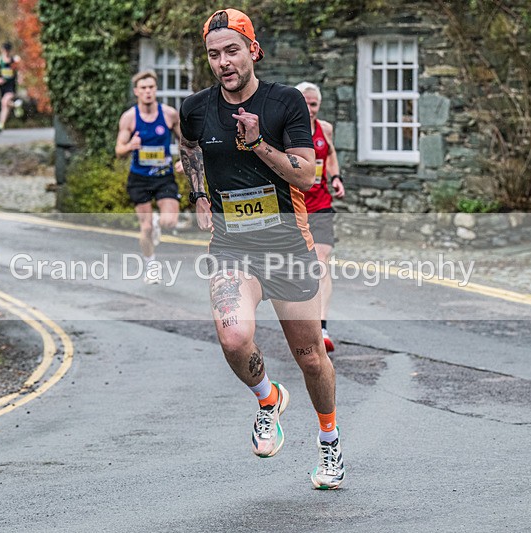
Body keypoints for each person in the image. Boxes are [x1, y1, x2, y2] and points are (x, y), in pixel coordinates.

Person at [179, 8, 345, 489]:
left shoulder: (285, 102)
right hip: (232, 247)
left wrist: (256, 145)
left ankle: (329, 441)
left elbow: (306, 174)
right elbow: (188, 147)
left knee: (310, 357)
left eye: (232, 51)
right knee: (233, 337)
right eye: (214, 54)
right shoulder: (196, 108)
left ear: (253, 50)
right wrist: (199, 194)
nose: (223, 63)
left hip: (288, 247)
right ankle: (268, 399)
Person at [115, 70, 182, 284]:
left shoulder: (169, 114)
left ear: (156, 89)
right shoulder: (129, 117)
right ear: (136, 91)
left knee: (169, 222)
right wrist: (130, 146)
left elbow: (186, 142)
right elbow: (118, 149)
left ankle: (156, 221)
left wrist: (185, 160)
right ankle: (151, 265)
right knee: (145, 228)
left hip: (164, 176)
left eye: (151, 87)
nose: (148, 91)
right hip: (139, 178)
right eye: (143, 88)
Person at [295, 82, 345, 353]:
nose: (309, 109)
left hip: (321, 204)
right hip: (294, 206)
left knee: (321, 260)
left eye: (313, 104)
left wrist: (336, 178)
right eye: (304, 102)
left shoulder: (325, 129)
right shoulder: (285, 130)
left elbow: (331, 154)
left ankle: (322, 328)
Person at [0, 42, 22, 133]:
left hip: (11, 85)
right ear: (2, 50)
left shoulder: (15, 59)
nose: (6, 52)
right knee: (5, 105)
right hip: (2, 86)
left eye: (8, 50)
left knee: (4, 101)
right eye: (5, 50)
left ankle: (0, 124)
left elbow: (20, 70)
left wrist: (20, 78)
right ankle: (15, 106)